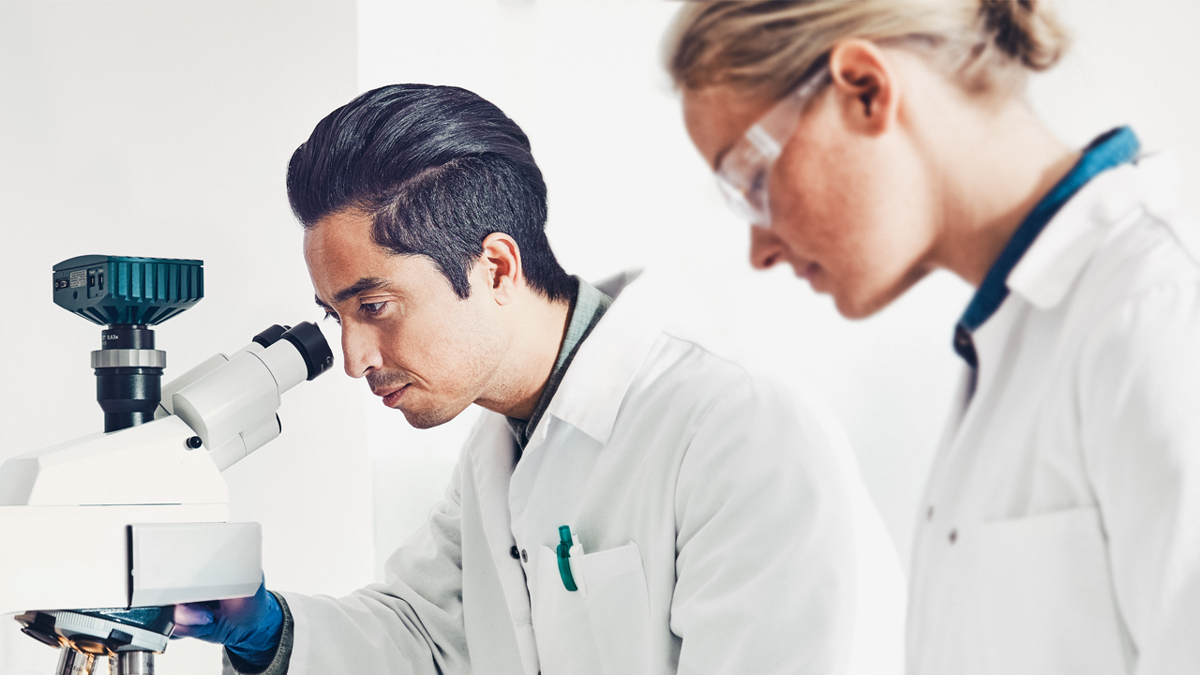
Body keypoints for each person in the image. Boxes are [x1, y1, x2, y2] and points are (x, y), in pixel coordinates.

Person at [170, 83, 887, 674]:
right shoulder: (500, 447)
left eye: (375, 307)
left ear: (497, 268)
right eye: (337, 316)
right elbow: (426, 638)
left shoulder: (734, 428)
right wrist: (266, 629)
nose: (355, 358)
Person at [667, 1, 1200, 673]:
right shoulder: (1014, 342)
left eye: (751, 180)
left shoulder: (1156, 309)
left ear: (865, 90)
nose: (760, 249)